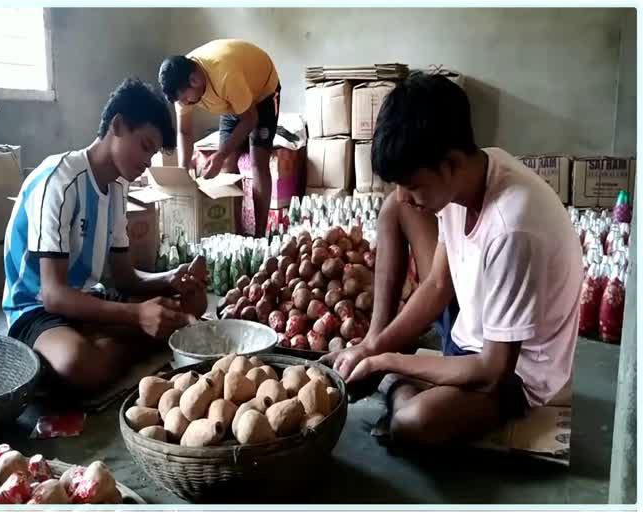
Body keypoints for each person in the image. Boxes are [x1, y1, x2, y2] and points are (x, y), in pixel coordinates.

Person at [322, 72, 583, 446]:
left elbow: (492, 370)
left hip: (514, 371)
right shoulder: (473, 171)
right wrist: (374, 346)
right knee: (394, 211)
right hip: (472, 325)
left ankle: (400, 386)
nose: (405, 195)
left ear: (449, 165)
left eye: (413, 185)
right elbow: (439, 284)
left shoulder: (512, 228)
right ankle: (386, 351)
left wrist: (390, 363)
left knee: (415, 423)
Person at [3, 78, 207, 396]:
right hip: (35, 309)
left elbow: (126, 278)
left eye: (153, 153)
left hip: (87, 299)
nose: (147, 161)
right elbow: (54, 295)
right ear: (118, 125)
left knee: (181, 309)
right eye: (144, 146)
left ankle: (109, 341)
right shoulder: (61, 180)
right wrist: (136, 316)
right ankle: (101, 346)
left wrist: (173, 278)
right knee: (79, 363)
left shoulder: (116, 187)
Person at [158, 39, 281, 237]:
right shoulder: (182, 86)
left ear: (195, 81)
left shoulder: (225, 75)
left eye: (185, 99)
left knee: (258, 160)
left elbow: (250, 119)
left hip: (262, 92)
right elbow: (184, 132)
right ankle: (236, 232)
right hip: (232, 101)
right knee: (226, 168)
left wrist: (220, 154)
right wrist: (184, 169)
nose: (185, 104)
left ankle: (259, 235)